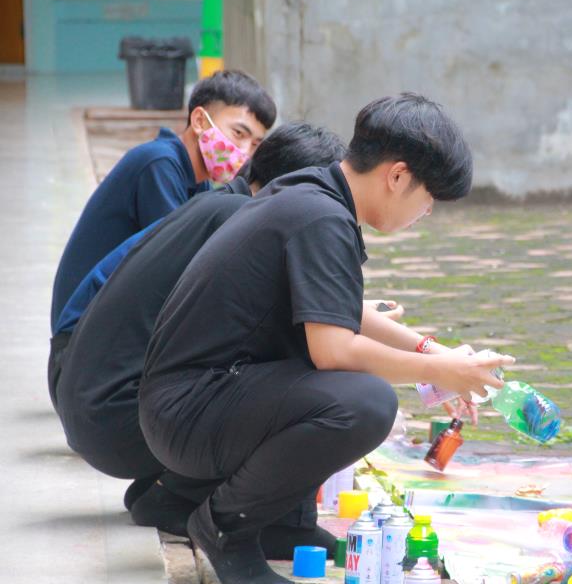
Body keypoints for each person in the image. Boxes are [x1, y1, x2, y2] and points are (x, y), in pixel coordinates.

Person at [139, 93, 514, 584]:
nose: (426, 212)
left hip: (188, 403)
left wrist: (433, 352)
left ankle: (281, 526)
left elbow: (338, 311)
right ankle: (226, 527)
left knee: (339, 389)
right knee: (364, 402)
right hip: (188, 414)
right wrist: (439, 370)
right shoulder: (321, 217)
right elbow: (335, 350)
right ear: (397, 176)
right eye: (429, 199)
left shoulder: (313, 194)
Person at [54, 123, 352, 558]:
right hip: (119, 421)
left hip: (95, 410)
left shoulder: (218, 205)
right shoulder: (239, 221)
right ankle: (274, 521)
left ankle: (172, 489)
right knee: (308, 374)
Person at [48, 70, 276, 403]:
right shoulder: (158, 164)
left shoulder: (197, 183)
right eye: (238, 133)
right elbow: (181, 276)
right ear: (199, 120)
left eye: (255, 144)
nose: (243, 151)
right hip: (78, 350)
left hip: (96, 340)